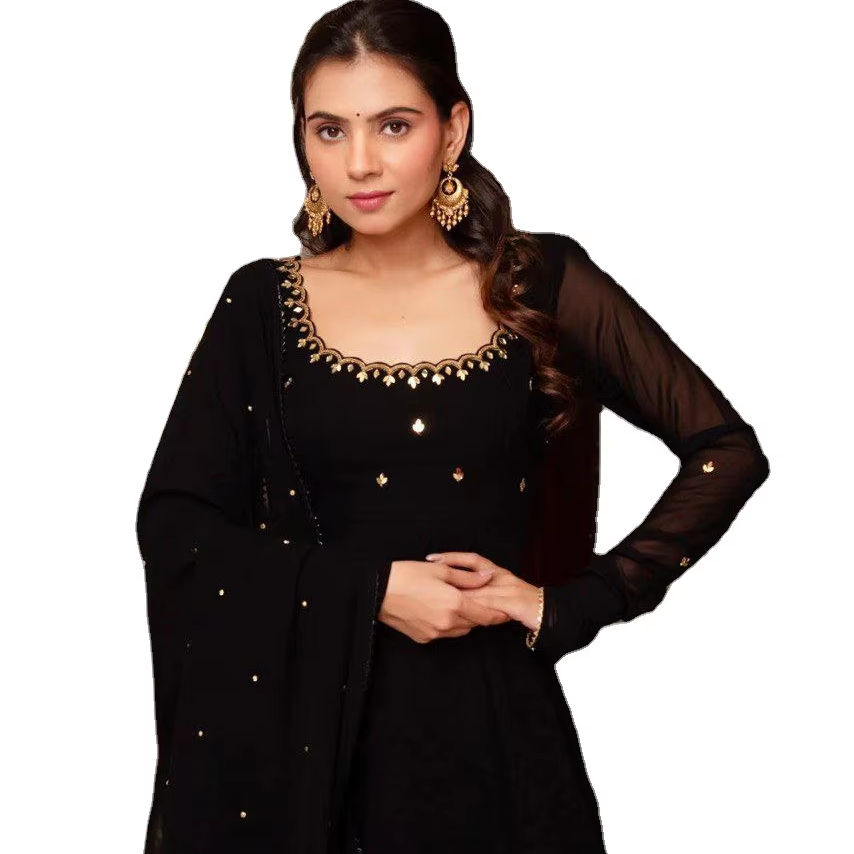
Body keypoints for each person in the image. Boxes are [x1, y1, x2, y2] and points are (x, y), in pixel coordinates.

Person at [135, 2, 771, 852]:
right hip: (309, 761)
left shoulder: (539, 283)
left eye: (394, 125)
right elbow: (175, 525)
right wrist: (370, 591)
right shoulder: (262, 304)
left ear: (453, 129)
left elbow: (725, 451)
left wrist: (572, 604)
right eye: (329, 130)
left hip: (497, 742)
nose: (359, 162)